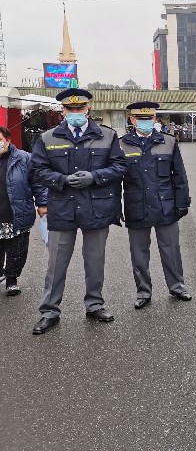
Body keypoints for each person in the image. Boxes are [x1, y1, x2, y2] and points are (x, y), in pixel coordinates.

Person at [30, 88, 127, 335]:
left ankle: (94, 304)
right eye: (70, 109)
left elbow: (119, 166)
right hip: (62, 208)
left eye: (79, 109)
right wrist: (62, 180)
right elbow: (37, 170)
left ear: (88, 109)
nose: (75, 113)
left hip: (97, 207)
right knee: (56, 263)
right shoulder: (47, 137)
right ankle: (50, 310)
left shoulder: (107, 135)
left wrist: (94, 176)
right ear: (62, 111)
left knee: (95, 260)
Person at [119, 102, 191, 309]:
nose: (145, 122)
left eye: (149, 118)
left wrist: (182, 201)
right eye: (140, 119)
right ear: (132, 120)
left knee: (171, 249)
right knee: (139, 252)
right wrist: (114, 207)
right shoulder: (122, 144)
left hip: (165, 206)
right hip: (136, 206)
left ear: (155, 119)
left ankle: (177, 286)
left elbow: (179, 175)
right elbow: (115, 180)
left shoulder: (168, 142)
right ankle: (143, 291)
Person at [0, 126, 48, 296]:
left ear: (8, 141)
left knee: (17, 250)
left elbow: (38, 183)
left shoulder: (24, 158)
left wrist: (42, 203)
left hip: (16, 213)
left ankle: (12, 279)